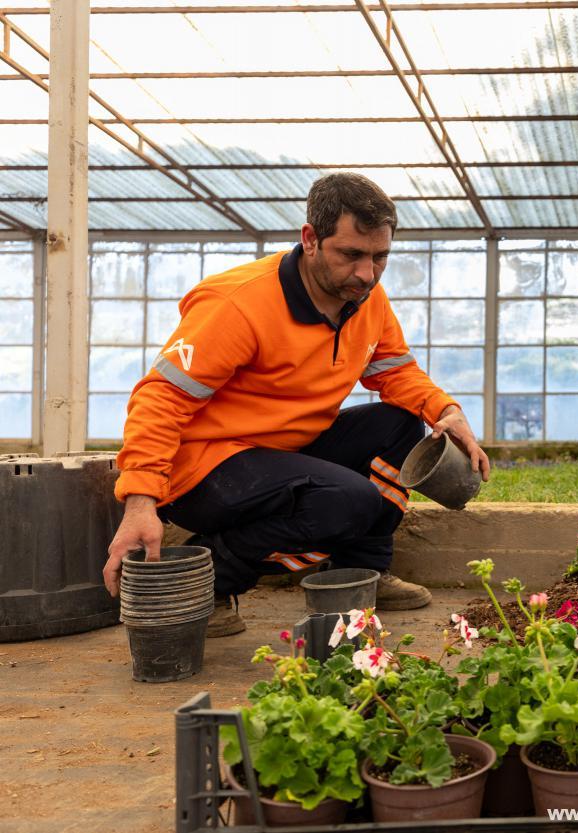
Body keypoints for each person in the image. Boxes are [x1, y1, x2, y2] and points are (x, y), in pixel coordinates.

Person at [103, 173, 490, 636]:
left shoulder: (365, 297)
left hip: (285, 453)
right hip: (207, 467)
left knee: (401, 421)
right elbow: (160, 399)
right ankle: (210, 582)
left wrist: (447, 412)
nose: (367, 273)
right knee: (349, 502)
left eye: (379, 257)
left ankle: (359, 572)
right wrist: (141, 502)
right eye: (351, 254)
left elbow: (394, 372)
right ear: (310, 239)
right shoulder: (237, 304)